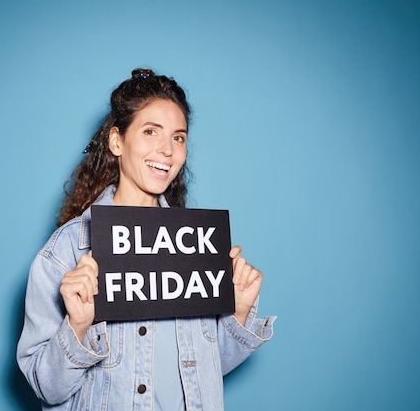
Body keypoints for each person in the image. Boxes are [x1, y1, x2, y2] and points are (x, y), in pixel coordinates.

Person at [16, 68, 276, 411]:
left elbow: (204, 371)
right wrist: (77, 327)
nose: (167, 150)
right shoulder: (67, 250)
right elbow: (46, 389)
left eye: (178, 137)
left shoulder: (197, 247)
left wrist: (238, 313)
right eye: (151, 131)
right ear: (116, 141)